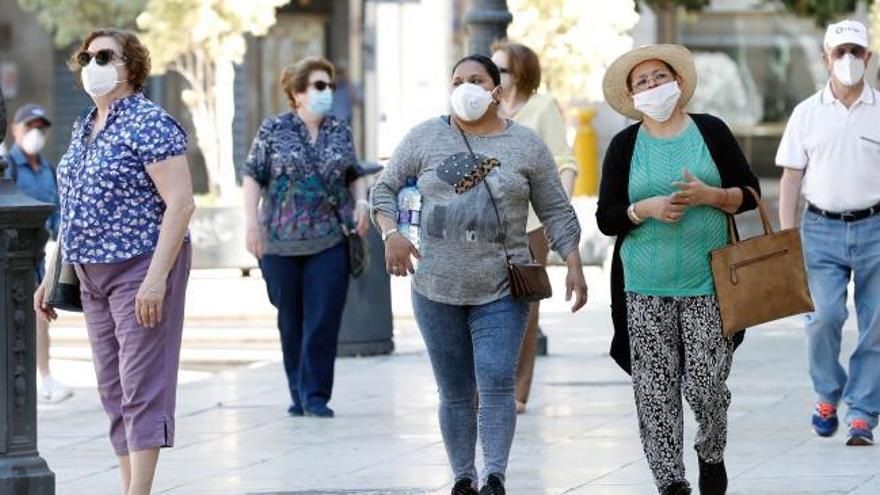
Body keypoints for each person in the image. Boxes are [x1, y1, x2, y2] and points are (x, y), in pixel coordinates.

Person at [371, 54, 588, 495]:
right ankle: (463, 478)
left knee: (494, 377)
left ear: (495, 89)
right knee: (453, 390)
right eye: (457, 80)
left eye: (476, 79)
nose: (466, 87)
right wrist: (391, 233)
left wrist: (574, 264)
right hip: (435, 288)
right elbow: (384, 187)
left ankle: (494, 475)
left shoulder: (525, 144)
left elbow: (555, 209)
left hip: (502, 288)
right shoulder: (425, 137)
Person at [34, 29, 194, 495]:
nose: (94, 65)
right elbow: (73, 206)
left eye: (106, 56)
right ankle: (128, 487)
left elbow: (181, 204)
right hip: (89, 272)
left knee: (141, 384)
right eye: (87, 56)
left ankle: (137, 492)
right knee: (112, 388)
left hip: (140, 266)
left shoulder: (149, 123)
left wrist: (155, 281)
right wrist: (51, 273)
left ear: (132, 66)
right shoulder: (84, 126)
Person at [597, 45, 760, 495]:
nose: (652, 87)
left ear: (679, 83)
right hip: (643, 287)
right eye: (641, 82)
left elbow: (750, 192)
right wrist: (641, 209)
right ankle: (670, 481)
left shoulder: (711, 131)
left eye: (658, 77)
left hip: (708, 283)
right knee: (655, 392)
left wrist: (712, 196)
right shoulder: (624, 145)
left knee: (707, 382)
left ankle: (711, 450)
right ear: (632, 97)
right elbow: (606, 216)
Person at [242, 56, 369, 419]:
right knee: (291, 320)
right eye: (318, 86)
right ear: (297, 93)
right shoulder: (273, 129)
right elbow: (253, 176)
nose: (326, 92)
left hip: (330, 239)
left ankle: (315, 395)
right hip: (279, 242)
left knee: (323, 320)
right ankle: (297, 391)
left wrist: (361, 203)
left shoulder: (340, 130)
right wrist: (251, 224)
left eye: (329, 86)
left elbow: (353, 173)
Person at [777, 20, 879, 447]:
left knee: (877, 325)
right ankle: (827, 393)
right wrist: (786, 236)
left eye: (856, 51)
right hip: (820, 228)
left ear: (869, 58)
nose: (848, 60)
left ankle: (862, 412)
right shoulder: (806, 113)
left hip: (876, 227)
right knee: (823, 318)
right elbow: (790, 178)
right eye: (840, 53)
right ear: (825, 59)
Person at [490, 40, 578, 415]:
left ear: (521, 72)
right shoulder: (487, 109)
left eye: (503, 70)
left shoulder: (542, 108)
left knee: (524, 308)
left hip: (531, 225)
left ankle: (517, 392)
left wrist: (557, 215)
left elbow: (564, 161)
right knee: (488, 304)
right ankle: (489, 386)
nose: (495, 77)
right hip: (487, 225)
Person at [5, 104, 72, 403]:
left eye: (40, 128)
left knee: (40, 316)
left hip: (40, 256)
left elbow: (58, 210)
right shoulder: (8, 166)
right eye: (29, 127)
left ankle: (44, 377)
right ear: (15, 129)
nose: (35, 133)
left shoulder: (48, 170)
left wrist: (59, 240)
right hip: (11, 255)